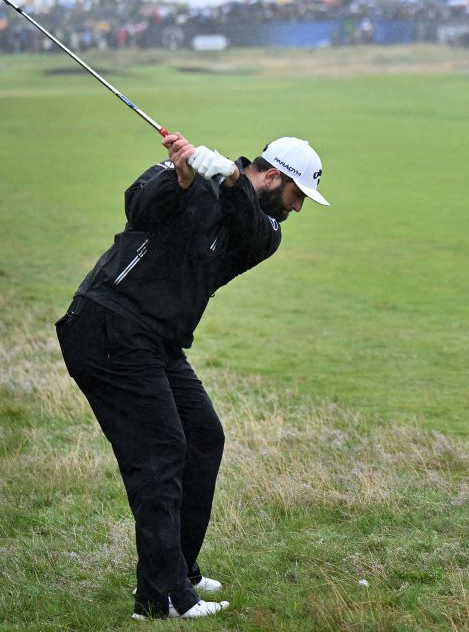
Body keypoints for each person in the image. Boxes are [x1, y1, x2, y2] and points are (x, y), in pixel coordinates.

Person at [55, 132, 330, 619]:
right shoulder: (187, 176)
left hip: (156, 339)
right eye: (297, 195)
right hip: (108, 324)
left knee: (204, 437)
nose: (299, 208)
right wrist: (181, 181)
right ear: (272, 176)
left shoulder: (266, 228)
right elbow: (137, 208)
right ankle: (162, 599)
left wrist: (226, 181)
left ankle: (178, 568)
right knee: (161, 453)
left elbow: (244, 227)